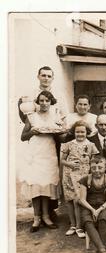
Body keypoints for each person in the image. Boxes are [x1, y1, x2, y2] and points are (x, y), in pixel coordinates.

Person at [21, 91, 60, 232]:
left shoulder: (55, 116)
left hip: (49, 154)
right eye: (41, 100)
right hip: (35, 155)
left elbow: (60, 133)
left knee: (46, 187)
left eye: (47, 101)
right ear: (38, 102)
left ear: (51, 102)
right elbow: (23, 137)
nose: (44, 103)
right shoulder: (31, 117)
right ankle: (36, 218)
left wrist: (59, 130)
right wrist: (32, 132)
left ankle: (46, 216)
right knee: (35, 186)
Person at [60, 121, 99, 238]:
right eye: (77, 132)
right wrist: (70, 164)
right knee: (69, 200)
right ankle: (72, 225)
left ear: (87, 132)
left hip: (83, 176)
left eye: (82, 132)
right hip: (68, 175)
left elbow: (94, 161)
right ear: (74, 132)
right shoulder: (68, 144)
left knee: (78, 200)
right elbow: (62, 160)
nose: (80, 134)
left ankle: (79, 226)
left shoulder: (91, 145)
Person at [78, 156, 106, 253]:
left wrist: (99, 210)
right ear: (90, 167)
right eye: (94, 168)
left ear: (105, 167)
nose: (97, 171)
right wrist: (92, 210)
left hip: (104, 206)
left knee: (103, 219)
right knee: (87, 221)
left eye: (100, 167)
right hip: (88, 206)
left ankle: (99, 252)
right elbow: (82, 199)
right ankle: (101, 249)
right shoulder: (85, 180)